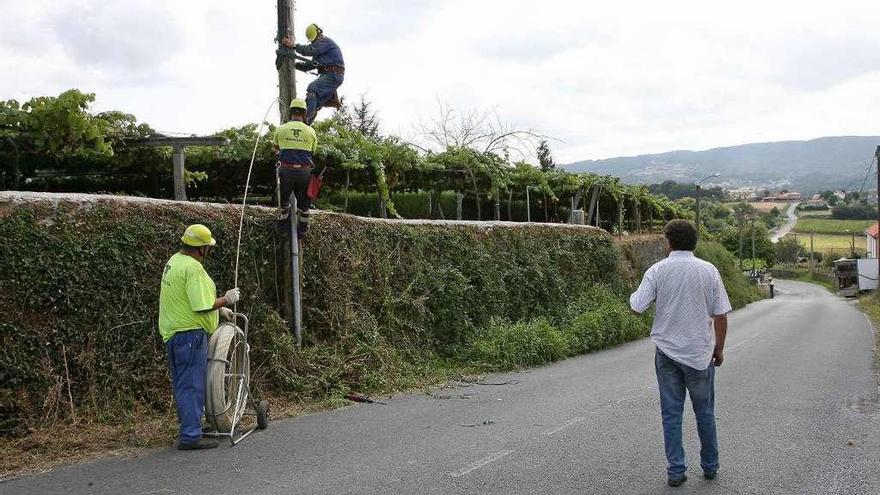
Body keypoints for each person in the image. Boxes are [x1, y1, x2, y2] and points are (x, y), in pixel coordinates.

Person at [629, 219, 731, 487]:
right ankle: (710, 467)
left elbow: (637, 306)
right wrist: (718, 349)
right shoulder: (709, 271)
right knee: (705, 412)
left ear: (668, 241)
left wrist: (635, 295)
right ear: (694, 241)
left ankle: (676, 470)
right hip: (700, 354)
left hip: (666, 354)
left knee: (671, 414)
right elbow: (720, 315)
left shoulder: (657, 270)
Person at [158, 224, 241, 450]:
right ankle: (190, 436)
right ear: (201, 248)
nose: (209, 250)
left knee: (183, 383)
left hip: (174, 333)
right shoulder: (193, 268)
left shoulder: (174, 261)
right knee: (192, 385)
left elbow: (188, 299)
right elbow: (201, 304)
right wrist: (226, 300)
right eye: (207, 247)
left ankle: (191, 424)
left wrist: (218, 310)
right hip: (190, 335)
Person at [280, 23, 344, 124]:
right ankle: (306, 125)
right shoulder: (320, 49)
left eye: (314, 40)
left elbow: (310, 50)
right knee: (315, 103)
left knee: (312, 88)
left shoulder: (325, 42)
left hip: (333, 74)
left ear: (319, 34)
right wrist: (294, 65)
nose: (313, 42)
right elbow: (310, 65)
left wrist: (294, 46)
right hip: (331, 75)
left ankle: (306, 120)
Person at [273, 98, 318, 237]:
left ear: (290, 112)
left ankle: (283, 229)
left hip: (285, 170)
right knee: (304, 202)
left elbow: (275, 149)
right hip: (304, 172)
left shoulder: (281, 129)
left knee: (283, 201)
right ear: (304, 114)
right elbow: (313, 151)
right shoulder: (310, 131)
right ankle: (303, 228)